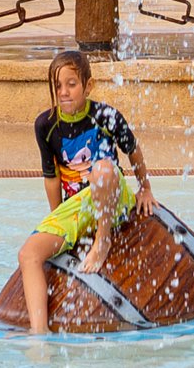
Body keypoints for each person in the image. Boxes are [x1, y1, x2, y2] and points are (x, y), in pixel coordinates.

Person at [17, 49, 157, 333]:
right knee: (28, 255)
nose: (64, 92)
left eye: (72, 84)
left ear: (88, 85)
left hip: (112, 197)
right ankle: (38, 334)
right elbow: (52, 176)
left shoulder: (107, 116)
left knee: (102, 171)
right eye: (58, 86)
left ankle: (102, 240)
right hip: (78, 207)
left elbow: (133, 151)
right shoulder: (45, 125)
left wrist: (145, 188)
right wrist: (57, 221)